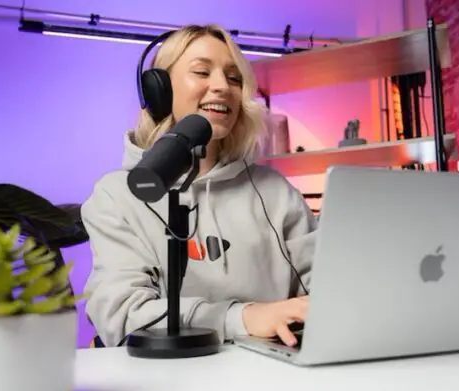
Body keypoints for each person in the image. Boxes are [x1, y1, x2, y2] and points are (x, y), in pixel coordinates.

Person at [80, 23, 317, 348]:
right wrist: (244, 318)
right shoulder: (116, 196)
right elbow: (122, 317)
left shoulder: (275, 191)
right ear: (159, 91)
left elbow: (325, 288)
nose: (222, 86)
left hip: (275, 374)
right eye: (202, 72)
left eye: (234, 78)